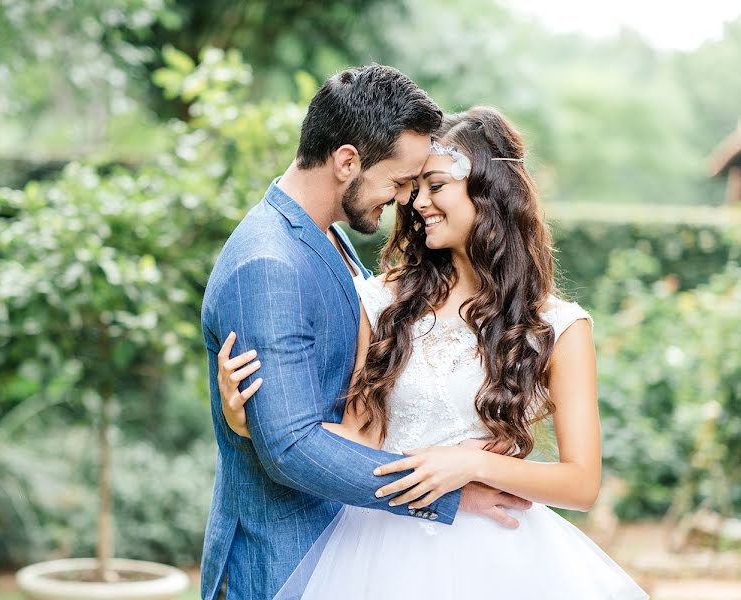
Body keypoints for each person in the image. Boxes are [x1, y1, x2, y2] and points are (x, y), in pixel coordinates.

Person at [218, 106, 650, 599]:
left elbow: (581, 483)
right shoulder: (383, 301)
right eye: (413, 187)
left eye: (436, 185)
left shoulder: (558, 326)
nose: (418, 202)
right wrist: (254, 424)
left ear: (489, 191)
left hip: (499, 557)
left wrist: (472, 466)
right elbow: (360, 435)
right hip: (375, 555)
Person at [200, 68, 530, 600]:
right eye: (399, 182)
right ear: (347, 161)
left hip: (348, 552)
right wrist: (449, 493)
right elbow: (290, 448)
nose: (405, 201)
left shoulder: (327, 236)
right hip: (280, 558)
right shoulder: (268, 263)